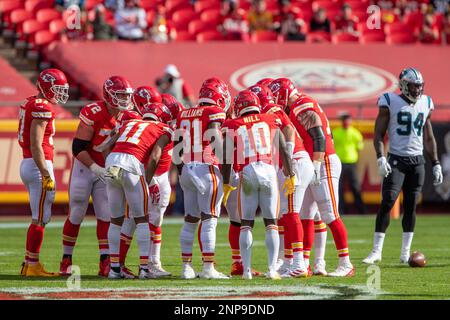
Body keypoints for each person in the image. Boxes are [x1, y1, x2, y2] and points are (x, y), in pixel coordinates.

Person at [269, 78, 355, 277]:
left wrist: (317, 163)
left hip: (323, 161)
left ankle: (346, 263)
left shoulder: (301, 104)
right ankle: (304, 264)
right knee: (306, 214)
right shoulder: (298, 105)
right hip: (311, 162)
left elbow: (318, 136)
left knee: (330, 214)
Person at [363, 68, 443, 265]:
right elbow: (378, 134)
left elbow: (429, 136)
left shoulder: (426, 103)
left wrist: (436, 163)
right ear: (404, 85)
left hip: (417, 162)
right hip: (396, 160)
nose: (417, 90)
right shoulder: (390, 101)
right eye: (414, 86)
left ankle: (405, 253)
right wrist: (381, 157)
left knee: (411, 206)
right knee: (388, 201)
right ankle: (376, 251)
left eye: (419, 86)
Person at [59, 76, 133, 277]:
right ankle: (66, 259)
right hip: (85, 167)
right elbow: (78, 148)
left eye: (126, 95)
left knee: (106, 215)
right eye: (120, 95)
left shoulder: (128, 116)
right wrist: (95, 168)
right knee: (76, 212)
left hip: (106, 168)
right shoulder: (94, 112)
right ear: (108, 95)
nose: (125, 99)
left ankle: (105, 261)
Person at [222, 90, 296, 280]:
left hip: (247, 171)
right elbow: (283, 149)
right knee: (271, 222)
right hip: (268, 170)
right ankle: (272, 270)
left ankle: (246, 271)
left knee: (246, 223)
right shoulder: (270, 119)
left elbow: (227, 157)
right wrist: (291, 174)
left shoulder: (232, 124)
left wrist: (225, 183)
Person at [249, 83, 312, 278]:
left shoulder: (271, 109)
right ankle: (288, 261)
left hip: (294, 162)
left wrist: (288, 158)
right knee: (285, 213)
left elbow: (288, 131)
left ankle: (300, 264)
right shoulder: (267, 111)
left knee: (292, 213)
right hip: (290, 162)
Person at [104, 102, 173, 279]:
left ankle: (114, 269)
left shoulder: (129, 123)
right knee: (142, 219)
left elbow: (105, 147)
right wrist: (145, 181)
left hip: (112, 162)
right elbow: (155, 158)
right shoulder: (164, 128)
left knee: (115, 220)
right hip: (131, 165)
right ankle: (144, 269)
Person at [174, 83, 230, 279]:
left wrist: (181, 170)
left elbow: (176, 146)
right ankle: (208, 268)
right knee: (209, 220)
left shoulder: (184, 113)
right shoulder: (213, 112)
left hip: (187, 168)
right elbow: (214, 136)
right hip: (207, 167)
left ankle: (186, 268)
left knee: (190, 220)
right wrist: (226, 167)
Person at [18, 68, 69, 277]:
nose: (59, 94)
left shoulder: (32, 101)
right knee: (40, 217)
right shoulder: (41, 107)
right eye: (56, 89)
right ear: (46, 87)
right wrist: (46, 173)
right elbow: (36, 144)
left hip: (31, 164)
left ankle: (29, 263)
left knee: (40, 216)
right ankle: (32, 265)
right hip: (38, 165)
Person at [333, 113, 368, 215]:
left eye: (348, 120)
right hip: (339, 163)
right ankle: (340, 210)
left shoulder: (355, 133)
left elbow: (359, 146)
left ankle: (361, 210)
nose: (346, 122)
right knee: (339, 188)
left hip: (352, 162)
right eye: (344, 120)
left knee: (355, 187)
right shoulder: (336, 133)